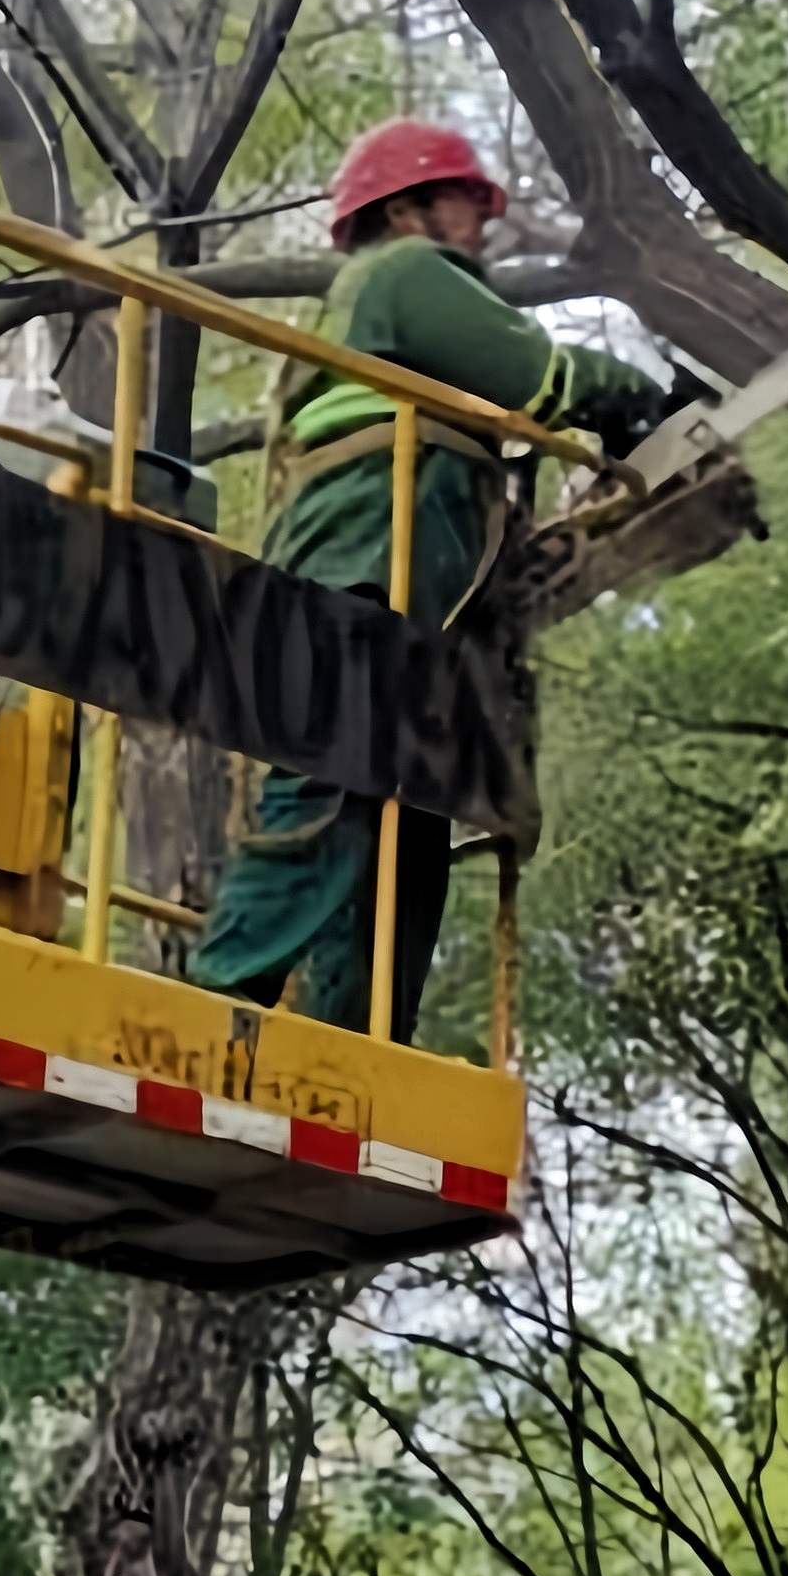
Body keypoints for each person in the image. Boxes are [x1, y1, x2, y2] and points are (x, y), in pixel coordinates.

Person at [189, 120, 683, 1035]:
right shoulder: (403, 276)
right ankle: (217, 1005)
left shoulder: (373, 312)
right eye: (464, 198)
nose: (482, 222)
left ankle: (363, 1041)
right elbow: (536, 372)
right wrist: (642, 401)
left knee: (408, 815)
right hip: (367, 565)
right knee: (331, 774)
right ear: (406, 207)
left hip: (411, 583)